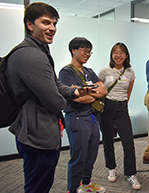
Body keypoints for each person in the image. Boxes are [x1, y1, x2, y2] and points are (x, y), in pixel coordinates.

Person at [6, 3, 90, 193]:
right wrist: (65, 100)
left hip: (33, 129)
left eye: (53, 23)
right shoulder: (31, 55)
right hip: (37, 135)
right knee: (38, 186)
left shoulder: (39, 49)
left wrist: (73, 92)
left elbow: (54, 84)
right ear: (30, 24)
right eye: (45, 22)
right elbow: (54, 101)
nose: (52, 28)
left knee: (38, 182)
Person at [59, 37, 107, 193]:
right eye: (84, 51)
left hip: (92, 118)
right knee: (78, 158)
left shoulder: (89, 71)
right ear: (74, 50)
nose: (87, 54)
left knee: (91, 155)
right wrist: (94, 93)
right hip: (76, 118)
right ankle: (72, 190)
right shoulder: (66, 72)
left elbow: (104, 90)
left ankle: (86, 185)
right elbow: (78, 97)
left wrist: (87, 92)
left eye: (89, 52)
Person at [98, 42, 141, 190]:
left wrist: (122, 104)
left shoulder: (130, 72)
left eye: (122, 52)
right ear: (111, 55)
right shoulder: (105, 71)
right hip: (107, 108)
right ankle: (111, 168)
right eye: (115, 52)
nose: (118, 55)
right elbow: (99, 90)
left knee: (128, 142)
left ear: (126, 55)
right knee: (108, 141)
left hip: (122, 108)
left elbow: (128, 93)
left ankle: (131, 174)